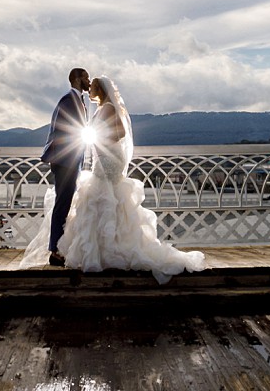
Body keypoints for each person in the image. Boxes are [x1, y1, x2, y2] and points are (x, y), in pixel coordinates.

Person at [21, 75, 205, 283]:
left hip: (107, 159)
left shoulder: (107, 107)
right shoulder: (81, 102)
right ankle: (82, 249)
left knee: (105, 197)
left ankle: (103, 249)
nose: (89, 85)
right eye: (86, 79)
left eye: (93, 84)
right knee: (97, 199)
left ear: (99, 90)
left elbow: (119, 132)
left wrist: (101, 142)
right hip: (88, 159)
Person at [36, 67, 91, 267]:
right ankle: (55, 251)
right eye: (86, 77)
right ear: (77, 79)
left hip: (70, 160)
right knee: (62, 204)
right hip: (65, 160)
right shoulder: (68, 100)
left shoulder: (78, 100)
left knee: (66, 203)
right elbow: (62, 130)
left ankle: (60, 247)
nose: (89, 81)